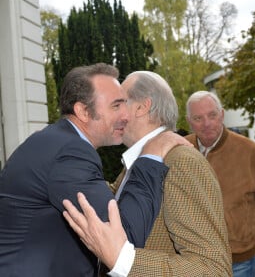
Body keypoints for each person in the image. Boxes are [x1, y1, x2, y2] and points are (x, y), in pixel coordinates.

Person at [0, 63, 188, 277]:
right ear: (83, 111)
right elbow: (122, 238)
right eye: (116, 106)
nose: (126, 115)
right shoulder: (70, 152)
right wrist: (151, 155)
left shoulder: (56, 140)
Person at [63, 71, 232, 276]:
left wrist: (122, 260)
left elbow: (213, 269)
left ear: (142, 107)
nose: (113, 113)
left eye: (119, 104)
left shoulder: (181, 163)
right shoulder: (142, 160)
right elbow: (116, 199)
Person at [185, 91, 255, 277]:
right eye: (198, 118)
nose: (206, 124)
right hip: (189, 261)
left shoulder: (251, 152)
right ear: (189, 121)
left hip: (237, 263)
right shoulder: (180, 149)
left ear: (222, 114)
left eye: (212, 115)